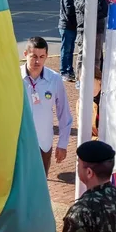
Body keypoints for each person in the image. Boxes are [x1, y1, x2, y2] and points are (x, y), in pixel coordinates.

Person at [22, 37, 72, 175]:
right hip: (19, 144)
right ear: (25, 55)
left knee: (41, 184)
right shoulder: (14, 78)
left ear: (46, 56)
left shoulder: (54, 79)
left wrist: (62, 144)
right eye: (33, 57)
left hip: (43, 143)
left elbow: (64, 113)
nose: (38, 61)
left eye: (42, 57)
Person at [74, 0, 108, 81]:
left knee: (97, 57)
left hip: (98, 30)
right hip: (84, 30)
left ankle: (95, 79)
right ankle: (79, 80)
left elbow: (104, 11)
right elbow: (83, 7)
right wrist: (96, 7)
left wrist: (93, 14)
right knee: (82, 56)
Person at [58, 0, 82, 81]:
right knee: (66, 49)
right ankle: (64, 71)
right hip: (67, 26)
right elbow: (69, 11)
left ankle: (69, 70)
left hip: (71, 27)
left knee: (70, 49)